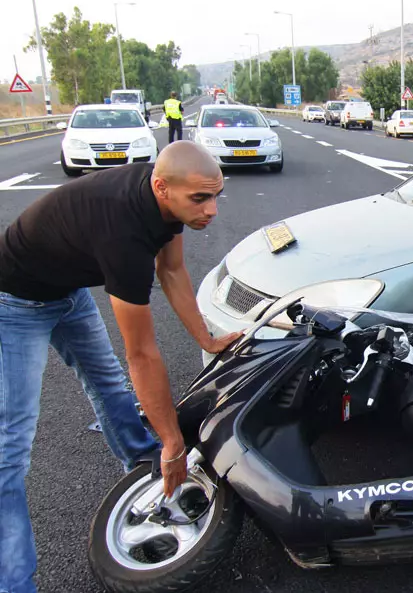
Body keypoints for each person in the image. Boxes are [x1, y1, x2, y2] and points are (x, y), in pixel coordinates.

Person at [0, 141, 240, 592]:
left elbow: (172, 271)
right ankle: (14, 584)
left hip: (66, 289)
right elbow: (142, 353)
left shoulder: (167, 192)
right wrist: (173, 440)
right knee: (9, 446)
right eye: (199, 200)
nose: (211, 210)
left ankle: (143, 468)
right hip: (14, 301)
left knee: (109, 388)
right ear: (161, 187)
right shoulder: (122, 232)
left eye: (215, 196)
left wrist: (206, 338)